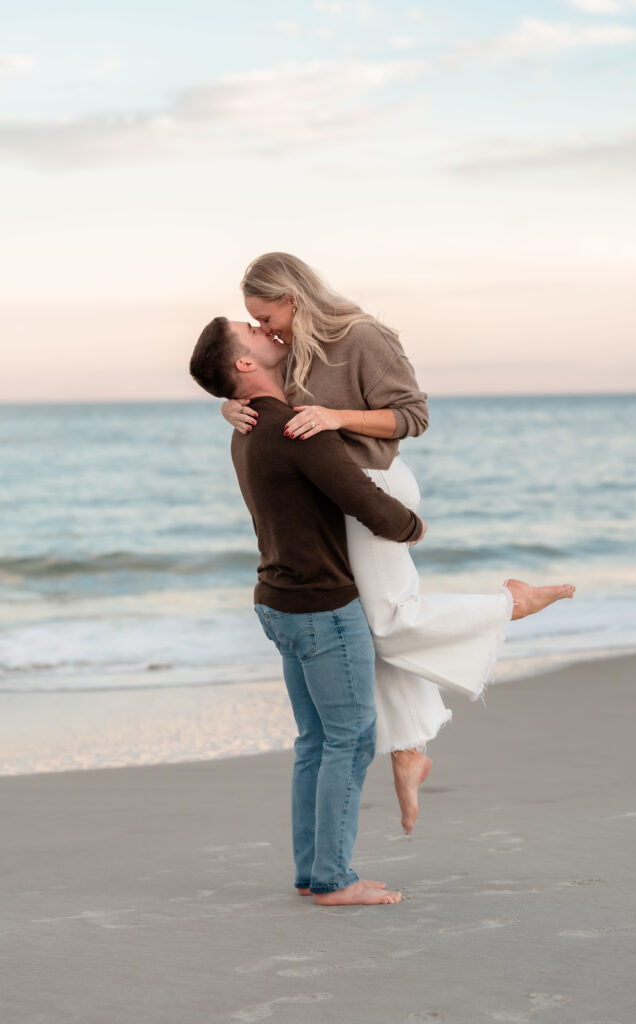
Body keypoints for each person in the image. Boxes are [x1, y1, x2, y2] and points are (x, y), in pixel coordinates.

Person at [222, 253, 575, 835]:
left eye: (267, 315)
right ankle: (409, 750)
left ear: (294, 296)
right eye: (254, 323)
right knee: (366, 626)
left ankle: (511, 601)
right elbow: (268, 399)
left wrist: (336, 417)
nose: (265, 329)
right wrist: (229, 406)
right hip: (334, 501)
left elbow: (413, 416)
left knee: (388, 623)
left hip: (376, 490)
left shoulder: (363, 337)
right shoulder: (288, 351)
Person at [189, 316, 430, 905]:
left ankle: (314, 871)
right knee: (349, 738)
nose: (261, 329)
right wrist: (413, 526)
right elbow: (365, 500)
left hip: (279, 603)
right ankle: (332, 879)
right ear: (244, 364)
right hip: (321, 606)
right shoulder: (298, 429)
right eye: (250, 329)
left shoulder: (246, 427)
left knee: (318, 741)